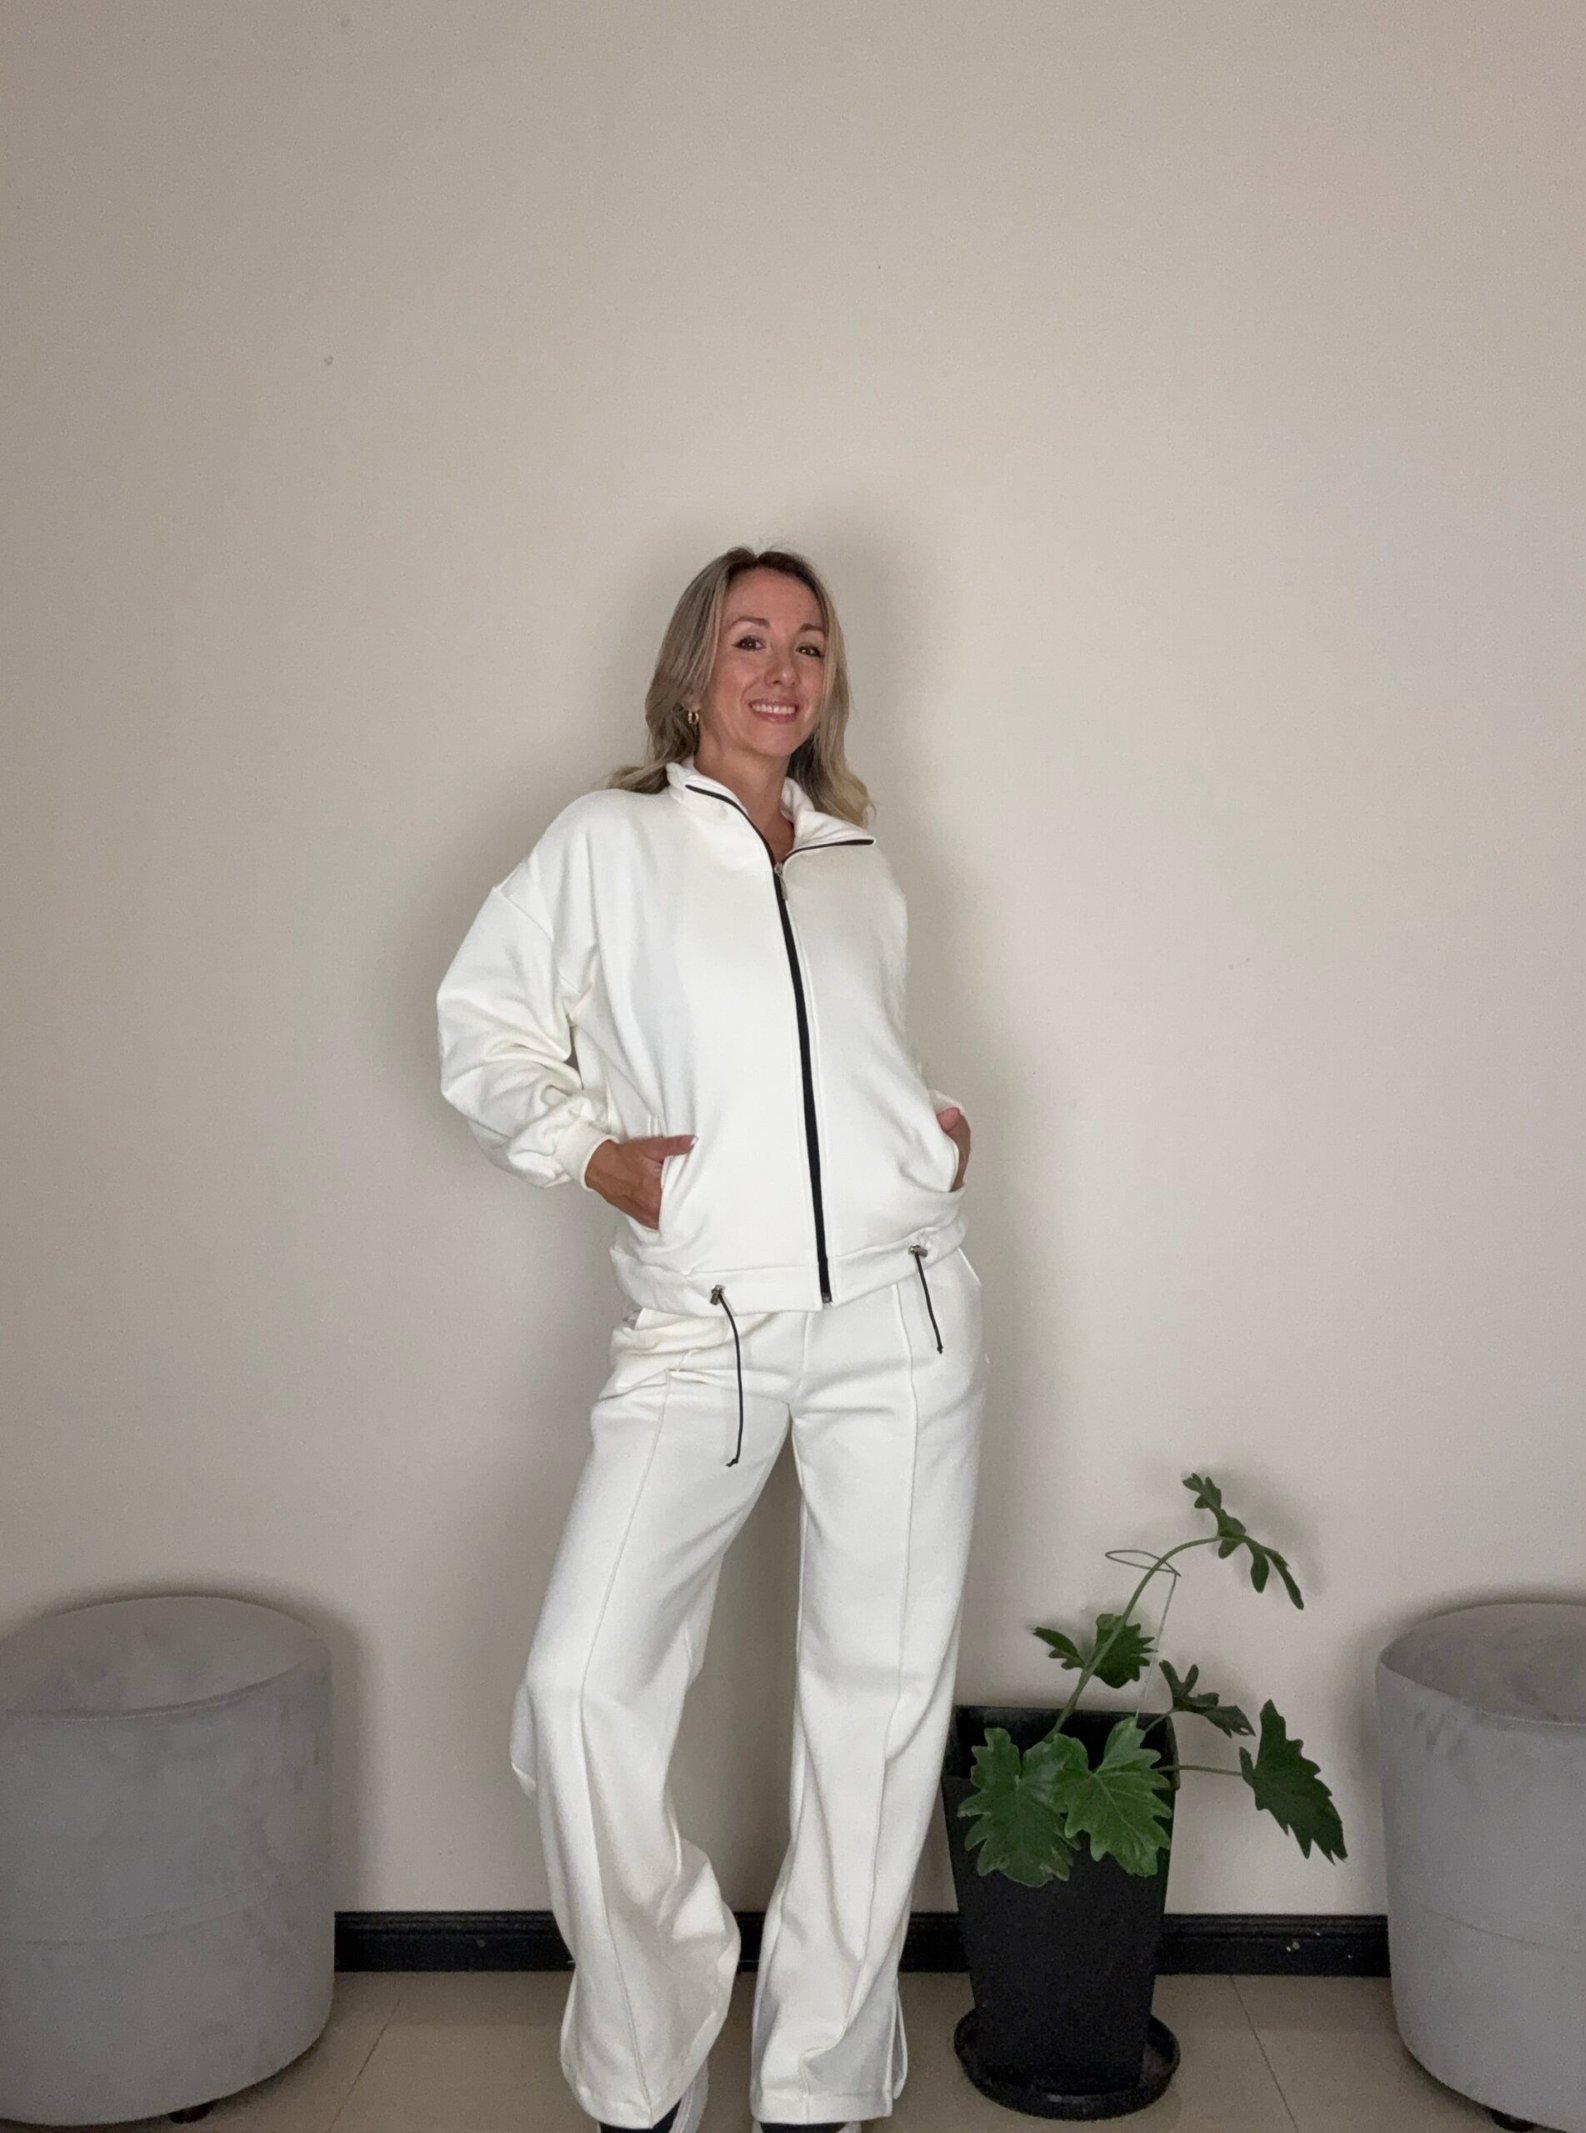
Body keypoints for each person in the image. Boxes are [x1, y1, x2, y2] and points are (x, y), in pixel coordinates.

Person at [435, 545, 988, 2133]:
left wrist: (928, 1131)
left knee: (878, 1707)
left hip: (904, 1315)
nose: (782, 669)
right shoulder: (607, 840)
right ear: (694, 670)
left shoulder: (860, 861)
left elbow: (849, 1065)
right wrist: (594, 1155)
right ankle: (655, 2045)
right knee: (580, 1688)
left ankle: (817, 2081)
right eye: (750, 638)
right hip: (707, 1329)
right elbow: (482, 1022)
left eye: (808, 643)